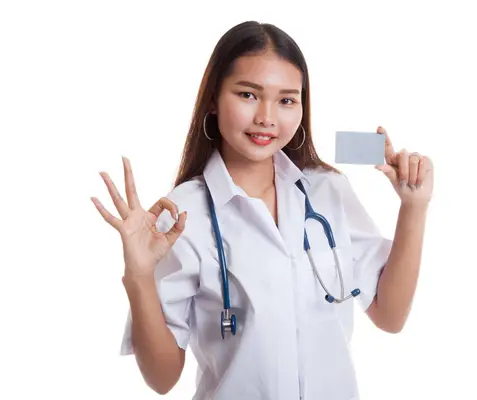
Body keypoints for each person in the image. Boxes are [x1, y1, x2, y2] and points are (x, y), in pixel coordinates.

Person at [91, 20, 433, 400]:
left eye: (286, 99)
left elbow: (389, 315)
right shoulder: (180, 216)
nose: (267, 117)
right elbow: (162, 378)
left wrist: (414, 207)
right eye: (248, 95)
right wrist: (138, 276)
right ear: (213, 100)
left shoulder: (327, 191)